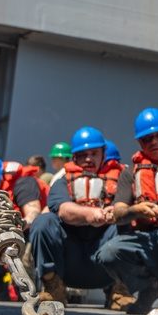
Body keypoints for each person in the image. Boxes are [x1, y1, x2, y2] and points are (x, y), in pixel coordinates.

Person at [93, 108, 158, 315]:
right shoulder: (130, 172)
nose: (154, 142)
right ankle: (149, 287)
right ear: (139, 142)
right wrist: (137, 210)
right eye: (147, 139)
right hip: (146, 237)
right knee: (108, 253)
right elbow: (118, 212)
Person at [30, 127, 121, 304]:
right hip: (69, 261)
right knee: (43, 222)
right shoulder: (62, 182)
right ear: (74, 157)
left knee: (128, 222)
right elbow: (63, 209)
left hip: (104, 262)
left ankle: (119, 290)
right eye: (82, 154)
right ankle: (53, 287)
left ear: (103, 153)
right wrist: (90, 214)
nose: (89, 159)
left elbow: (127, 205)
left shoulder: (121, 179)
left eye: (94, 153)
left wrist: (116, 211)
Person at [0, 156, 49, 300]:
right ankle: (0, 292)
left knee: (24, 259)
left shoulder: (23, 183)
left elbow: (33, 212)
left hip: (31, 227)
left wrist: (20, 224)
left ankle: (27, 297)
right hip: (5, 228)